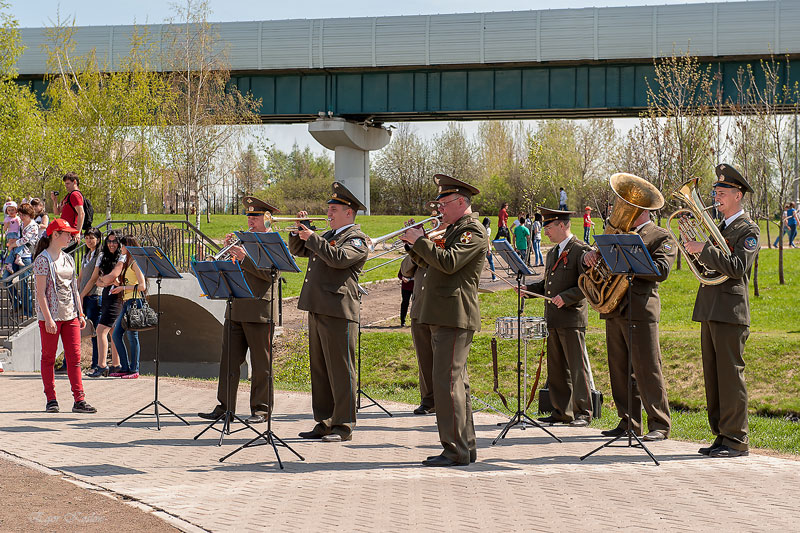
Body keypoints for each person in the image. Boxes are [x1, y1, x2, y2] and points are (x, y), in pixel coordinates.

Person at [402, 174, 486, 467]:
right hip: (442, 314)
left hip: (454, 314)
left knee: (446, 384)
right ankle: (465, 447)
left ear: (461, 202)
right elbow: (429, 263)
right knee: (456, 385)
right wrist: (416, 244)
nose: (439, 209)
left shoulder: (471, 231)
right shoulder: (451, 230)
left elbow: (449, 263)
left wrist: (422, 242)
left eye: (444, 203)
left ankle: (454, 450)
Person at [683, 164, 759, 458]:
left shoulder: (748, 229)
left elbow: (737, 268)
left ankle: (737, 439)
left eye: (722, 192)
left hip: (730, 312)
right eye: (715, 191)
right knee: (713, 377)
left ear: (738, 196)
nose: (716, 196)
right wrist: (693, 249)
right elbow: (710, 268)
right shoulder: (721, 228)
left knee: (730, 376)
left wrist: (703, 248)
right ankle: (722, 435)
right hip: (711, 309)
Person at [583, 205, 677, 442]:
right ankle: (628, 422)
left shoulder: (661, 236)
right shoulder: (619, 236)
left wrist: (630, 258)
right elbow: (603, 267)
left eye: (631, 208)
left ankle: (659, 423)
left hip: (641, 309)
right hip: (615, 307)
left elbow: (662, 270)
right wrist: (592, 257)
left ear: (643, 212)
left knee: (647, 369)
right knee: (620, 370)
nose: (625, 213)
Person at [289, 182, 369, 442]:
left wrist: (313, 238)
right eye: (329, 209)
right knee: (321, 368)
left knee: (341, 369)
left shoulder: (356, 239)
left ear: (349, 212)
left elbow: (338, 259)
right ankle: (324, 421)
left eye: (334, 209)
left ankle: (343, 425)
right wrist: (300, 232)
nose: (329, 214)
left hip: (338, 310)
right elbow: (300, 250)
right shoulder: (327, 236)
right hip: (318, 306)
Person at [198, 197, 281, 424]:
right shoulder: (243, 241)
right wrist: (228, 254)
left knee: (261, 364)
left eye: (255, 217)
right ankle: (225, 407)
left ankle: (261, 409)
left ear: (266, 219)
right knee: (228, 362)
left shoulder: (272, 243)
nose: (250, 221)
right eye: (249, 217)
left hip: (259, 310)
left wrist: (244, 259)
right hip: (236, 307)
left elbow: (271, 274)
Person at [522, 208, 593, 426]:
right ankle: (562, 411)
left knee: (577, 367)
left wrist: (568, 297)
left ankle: (583, 412)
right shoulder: (553, 252)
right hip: (553, 317)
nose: (546, 232)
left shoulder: (582, 250)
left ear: (562, 226)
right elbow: (547, 286)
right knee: (556, 367)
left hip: (572, 318)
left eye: (549, 227)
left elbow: (589, 283)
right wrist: (528, 289)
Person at [32, 219, 96, 414]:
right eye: (67, 233)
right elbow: (40, 293)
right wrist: (49, 319)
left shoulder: (68, 258)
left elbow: (74, 289)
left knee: (74, 358)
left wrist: (80, 312)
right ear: (55, 235)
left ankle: (79, 399)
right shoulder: (43, 260)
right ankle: (51, 399)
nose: (71, 236)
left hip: (70, 316)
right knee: (49, 358)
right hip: (51, 317)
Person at [84, 231, 125, 378]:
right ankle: (116, 365)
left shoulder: (122, 257)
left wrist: (106, 280)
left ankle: (102, 366)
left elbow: (113, 276)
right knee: (113, 331)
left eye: (115, 242)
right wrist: (105, 281)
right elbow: (97, 279)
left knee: (101, 330)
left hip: (117, 297)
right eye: (109, 241)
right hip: (106, 295)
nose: (111, 244)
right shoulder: (103, 256)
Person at [110, 235, 147, 379]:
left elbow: (142, 286)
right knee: (119, 335)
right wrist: (118, 284)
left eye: (123, 245)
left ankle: (134, 369)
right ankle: (126, 367)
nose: (121, 248)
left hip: (134, 302)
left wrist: (123, 287)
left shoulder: (135, 263)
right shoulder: (128, 262)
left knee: (129, 336)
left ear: (129, 246)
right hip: (127, 301)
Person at [4, 203, 39, 316]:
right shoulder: (20, 224)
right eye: (20, 214)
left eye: (24, 215)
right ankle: (16, 302)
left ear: (30, 214)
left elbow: (25, 240)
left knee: (24, 284)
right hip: (15, 255)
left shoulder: (33, 226)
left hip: (26, 257)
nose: (21, 217)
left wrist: (13, 245)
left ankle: (27, 311)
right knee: (6, 279)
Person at [78, 228, 102, 373]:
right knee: (78, 331)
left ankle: (96, 364)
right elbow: (81, 276)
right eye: (87, 238)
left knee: (95, 332)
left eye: (92, 238)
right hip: (83, 295)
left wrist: (82, 294)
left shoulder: (99, 255)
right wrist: (78, 292)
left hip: (93, 296)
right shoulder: (86, 255)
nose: (89, 241)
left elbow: (93, 279)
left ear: (98, 239)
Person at [3, 200, 24, 273]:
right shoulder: (7, 219)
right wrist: (7, 225)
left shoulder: (18, 218)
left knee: (14, 249)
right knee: (16, 246)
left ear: (16, 210)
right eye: (9, 210)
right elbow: (4, 229)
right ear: (6, 211)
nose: (11, 212)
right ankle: (17, 258)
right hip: (11, 234)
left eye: (12, 210)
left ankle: (10, 263)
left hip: (17, 234)